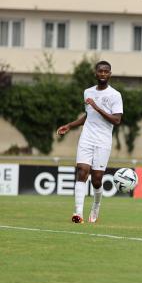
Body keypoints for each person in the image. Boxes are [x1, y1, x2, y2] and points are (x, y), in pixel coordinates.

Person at [56, 60, 123, 224]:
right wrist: (70, 125)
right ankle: (78, 213)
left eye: (106, 71)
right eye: (100, 71)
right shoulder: (88, 92)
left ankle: (96, 205)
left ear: (110, 74)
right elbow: (88, 116)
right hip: (87, 137)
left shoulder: (115, 95)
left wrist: (97, 107)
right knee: (82, 172)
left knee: (97, 179)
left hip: (103, 140)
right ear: (96, 73)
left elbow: (116, 120)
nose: (103, 74)